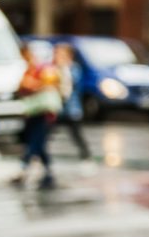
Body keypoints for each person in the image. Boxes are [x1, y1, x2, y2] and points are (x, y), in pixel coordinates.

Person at [13, 41, 62, 190]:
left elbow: (51, 86)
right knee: (38, 144)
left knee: (35, 142)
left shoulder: (46, 70)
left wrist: (33, 84)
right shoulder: (30, 69)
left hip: (44, 111)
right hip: (33, 111)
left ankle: (24, 169)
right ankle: (48, 172)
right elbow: (20, 87)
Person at [52, 42, 93, 161]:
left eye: (60, 54)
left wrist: (62, 68)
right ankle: (37, 154)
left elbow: (72, 82)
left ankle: (85, 154)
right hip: (56, 108)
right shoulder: (54, 68)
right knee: (44, 133)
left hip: (71, 108)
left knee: (76, 133)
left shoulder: (73, 68)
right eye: (56, 53)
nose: (56, 56)